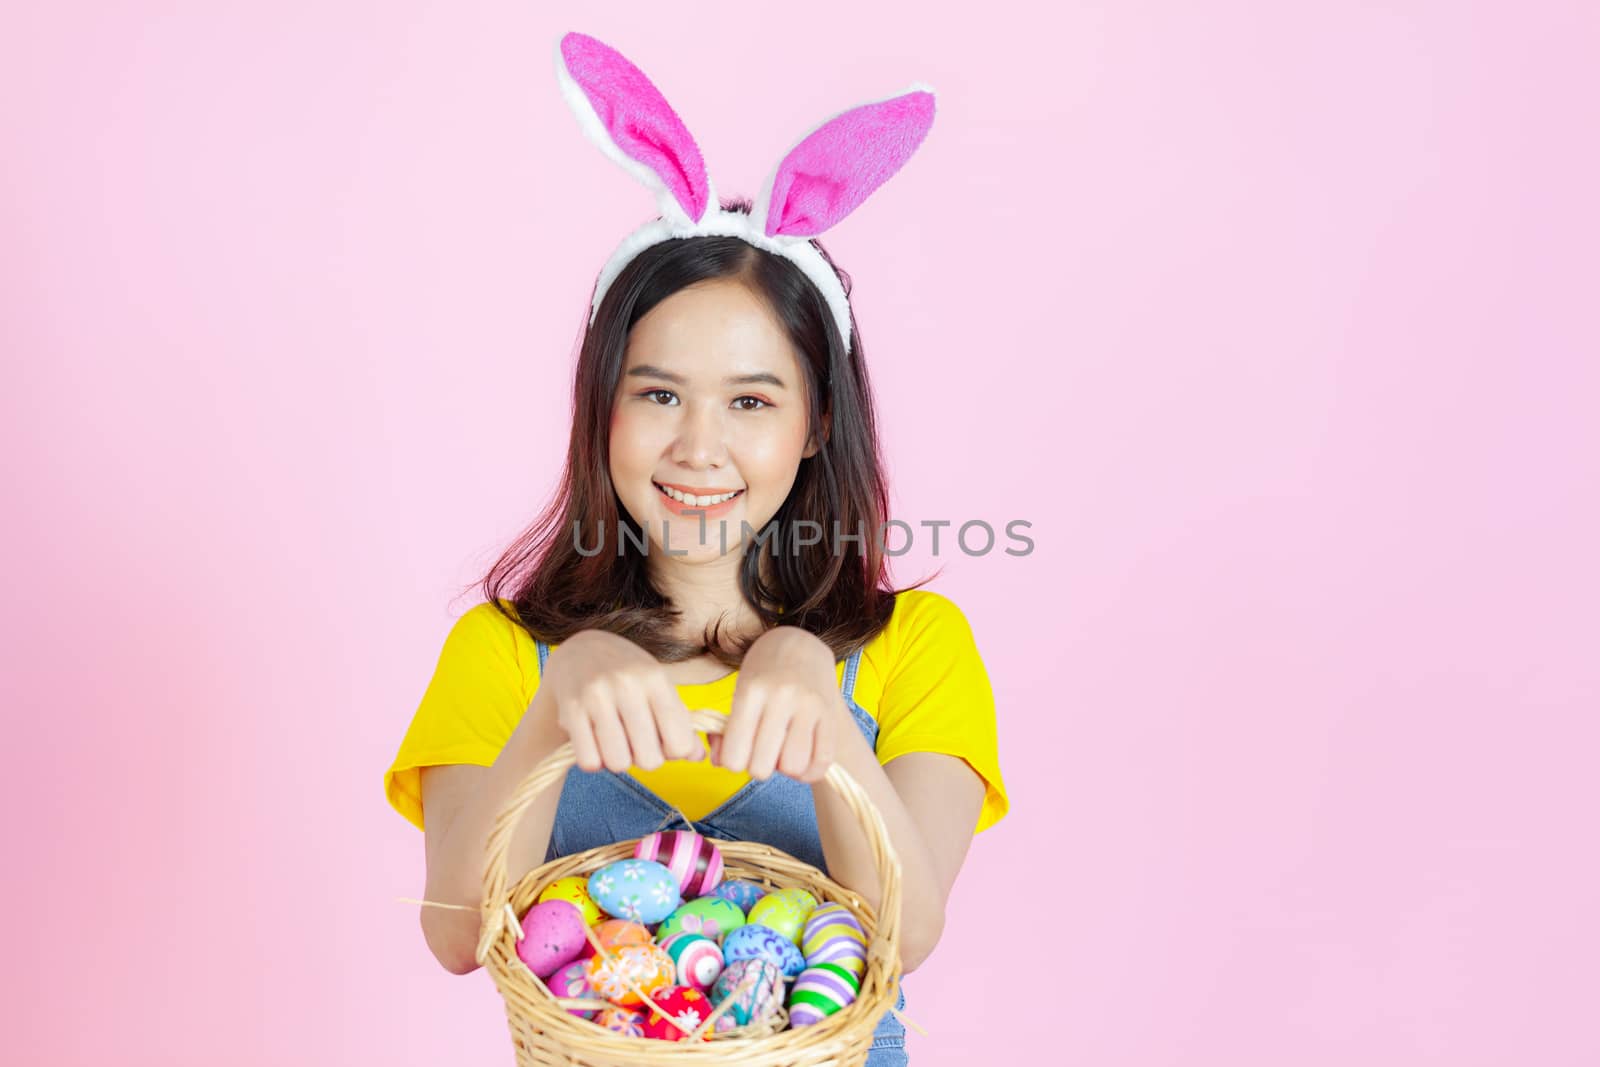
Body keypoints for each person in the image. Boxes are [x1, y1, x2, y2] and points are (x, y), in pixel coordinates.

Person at [382, 31, 1010, 1065]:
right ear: (604, 410)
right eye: (658, 393)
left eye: (751, 400)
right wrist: (560, 695)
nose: (698, 446)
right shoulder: (502, 651)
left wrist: (806, 671)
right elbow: (457, 929)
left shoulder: (916, 647)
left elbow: (903, 935)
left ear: (816, 423)